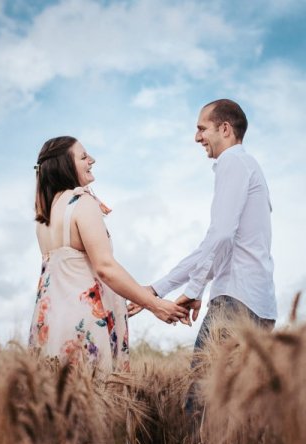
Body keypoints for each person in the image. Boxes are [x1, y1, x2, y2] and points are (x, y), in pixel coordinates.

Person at [142, 99, 277, 429]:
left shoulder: (233, 164)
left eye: (202, 128)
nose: (196, 137)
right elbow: (217, 244)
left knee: (202, 407)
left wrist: (194, 288)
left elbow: (220, 238)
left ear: (225, 129)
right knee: (241, 414)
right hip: (258, 304)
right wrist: (157, 289)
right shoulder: (250, 167)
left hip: (235, 301)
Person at [28, 136, 188, 373]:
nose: (92, 160)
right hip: (84, 328)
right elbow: (104, 266)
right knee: (94, 403)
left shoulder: (45, 217)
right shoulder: (81, 203)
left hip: (49, 325)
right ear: (65, 165)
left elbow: (75, 272)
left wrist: (135, 292)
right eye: (83, 157)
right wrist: (155, 305)